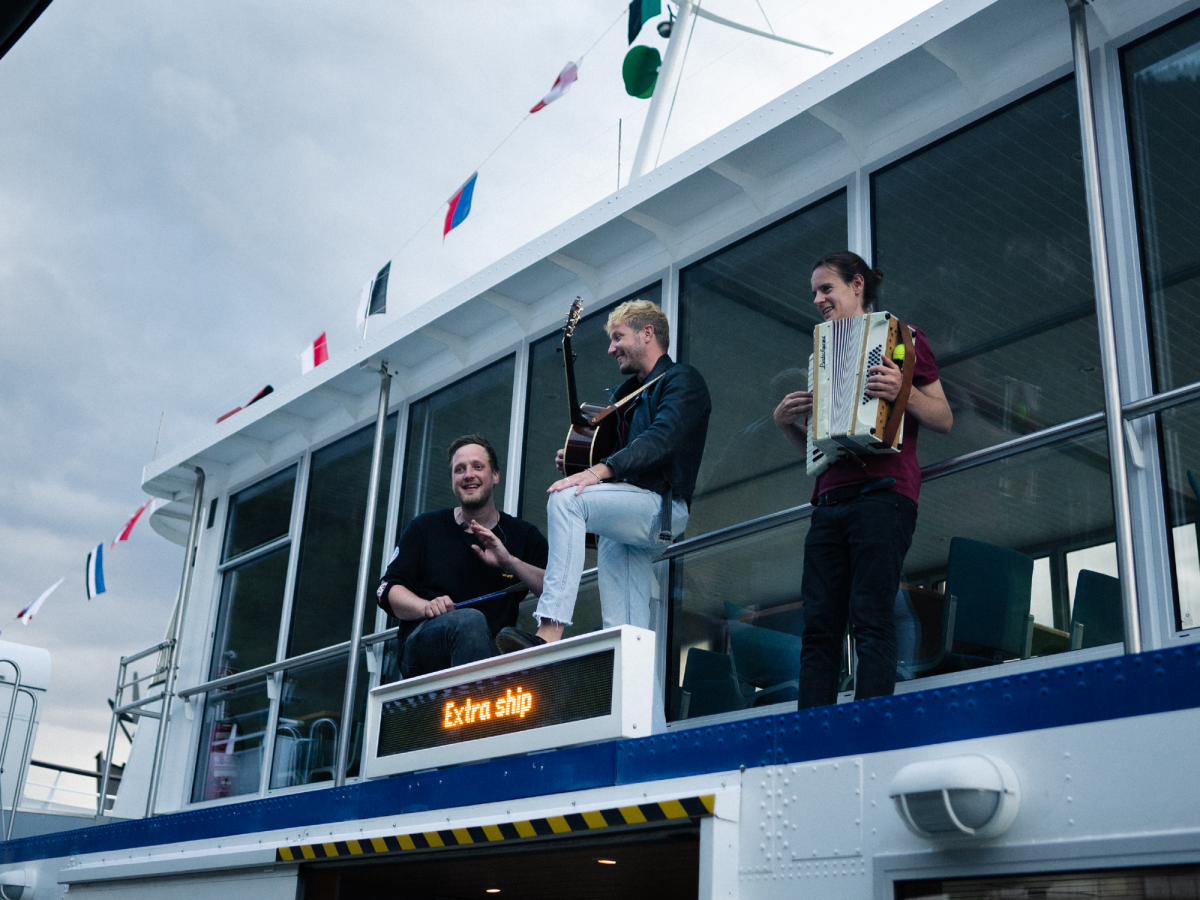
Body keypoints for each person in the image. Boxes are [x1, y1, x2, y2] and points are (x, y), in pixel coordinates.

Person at [773, 251, 952, 707]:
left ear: (857, 285)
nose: (817, 299)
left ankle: (868, 728)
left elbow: (944, 418)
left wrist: (904, 391)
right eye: (814, 291)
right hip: (830, 501)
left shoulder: (905, 338)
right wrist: (787, 425)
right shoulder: (821, 354)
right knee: (819, 627)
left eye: (825, 288)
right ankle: (813, 732)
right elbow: (821, 453)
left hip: (884, 494)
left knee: (871, 616)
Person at [496, 299, 711, 651]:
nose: (611, 349)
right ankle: (645, 704)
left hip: (660, 507)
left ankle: (547, 633)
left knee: (567, 500)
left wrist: (597, 471)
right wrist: (583, 460)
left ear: (647, 333)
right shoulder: (626, 398)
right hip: (628, 520)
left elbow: (661, 439)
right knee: (626, 638)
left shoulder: (682, 380)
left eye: (617, 338)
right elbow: (626, 453)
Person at [376, 434, 547, 679]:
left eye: (478, 466)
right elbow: (386, 590)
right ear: (453, 481)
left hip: (489, 651)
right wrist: (427, 607)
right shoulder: (425, 527)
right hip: (422, 648)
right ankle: (474, 711)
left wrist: (510, 562)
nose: (468, 475)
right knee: (469, 621)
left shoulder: (524, 535)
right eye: (460, 469)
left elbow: (556, 589)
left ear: (495, 475)